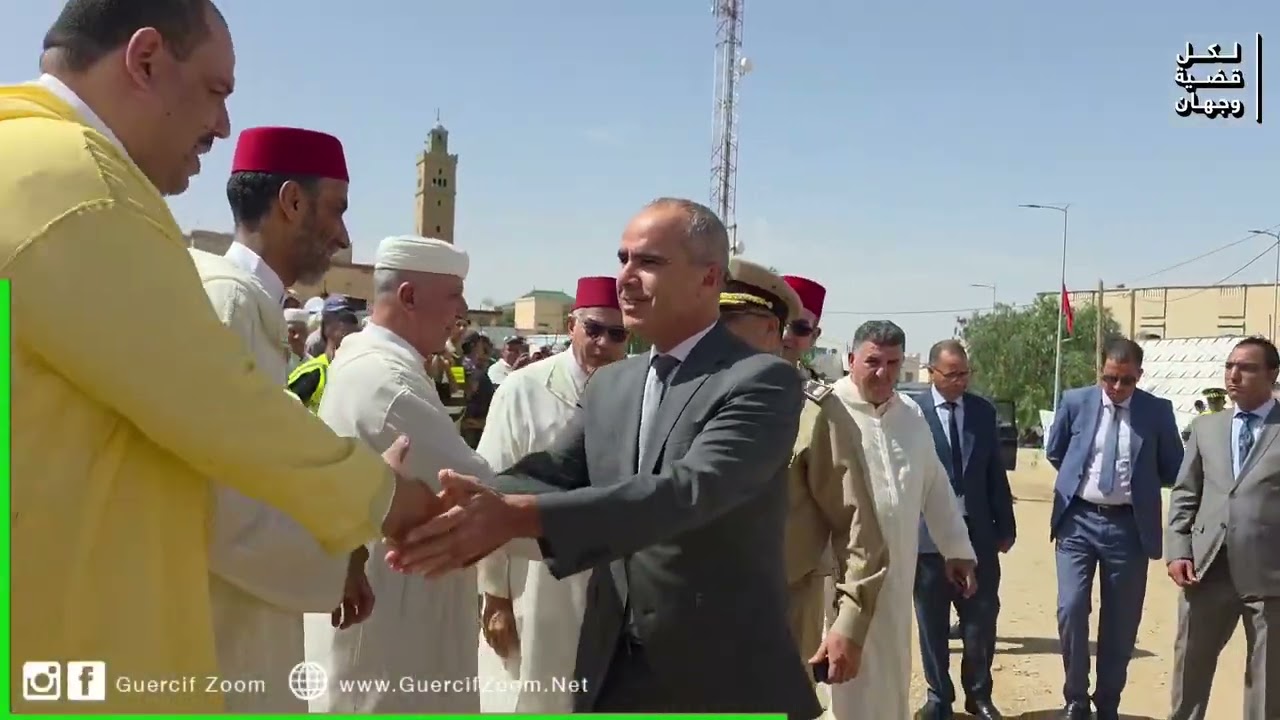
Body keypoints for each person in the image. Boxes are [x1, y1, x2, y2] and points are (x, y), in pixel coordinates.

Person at [2, 0, 445, 711]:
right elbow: (218, 414)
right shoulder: (74, 186)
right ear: (144, 60)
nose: (222, 125)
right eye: (216, 92)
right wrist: (380, 499)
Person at [392, 198, 821, 718]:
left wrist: (514, 517)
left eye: (649, 263)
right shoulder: (615, 382)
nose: (626, 279)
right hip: (613, 668)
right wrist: (452, 503)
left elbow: (688, 492)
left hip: (720, 677)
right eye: (623, 259)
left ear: (709, 279)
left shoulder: (759, 381)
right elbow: (554, 474)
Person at [190, 125, 371, 712]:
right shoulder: (231, 303)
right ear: (292, 202)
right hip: (224, 629)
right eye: (337, 210)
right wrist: (339, 553)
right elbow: (224, 501)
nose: (344, 236)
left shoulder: (243, 300)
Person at [306, 235, 484, 713]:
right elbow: (478, 489)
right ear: (408, 296)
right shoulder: (391, 383)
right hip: (397, 633)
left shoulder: (373, 359)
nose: (462, 310)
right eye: (453, 294)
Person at [720, 261, 888, 690]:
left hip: (781, 608)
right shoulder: (674, 395)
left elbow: (858, 525)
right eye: (718, 321)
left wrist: (849, 621)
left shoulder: (812, 411)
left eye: (737, 323)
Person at [475, 275, 629, 713]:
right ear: (571, 325)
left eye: (616, 334)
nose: (603, 342)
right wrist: (495, 594)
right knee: (532, 695)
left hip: (608, 585)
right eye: (593, 329)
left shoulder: (632, 392)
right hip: (535, 582)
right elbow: (488, 490)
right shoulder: (523, 390)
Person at [824, 321, 977, 720]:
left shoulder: (909, 415)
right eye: (872, 361)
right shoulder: (825, 410)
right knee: (838, 670)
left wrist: (957, 549)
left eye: (893, 363)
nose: (883, 372)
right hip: (838, 574)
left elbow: (936, 487)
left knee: (891, 666)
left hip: (897, 571)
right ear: (851, 359)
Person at [1045, 338, 1183, 720]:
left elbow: (1173, 468)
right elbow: (1056, 452)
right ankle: (1075, 698)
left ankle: (1107, 701)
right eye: (1109, 378)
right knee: (1071, 607)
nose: (1116, 388)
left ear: (1139, 375)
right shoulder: (1076, 402)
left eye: (1125, 380)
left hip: (1129, 528)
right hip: (1078, 521)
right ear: (1100, 372)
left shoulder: (1156, 412)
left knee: (1121, 621)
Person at [1168, 337, 1280, 720]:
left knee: (1267, 679)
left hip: (1269, 576)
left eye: (1246, 367)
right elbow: (1185, 494)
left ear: (1272, 374)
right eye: (1230, 366)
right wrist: (1179, 550)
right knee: (1190, 667)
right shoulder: (1206, 428)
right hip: (1206, 568)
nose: (1234, 375)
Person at [911, 340, 1016, 720]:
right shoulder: (912, 413)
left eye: (964, 373)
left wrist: (1005, 525)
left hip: (977, 536)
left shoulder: (982, 412)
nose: (960, 381)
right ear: (932, 373)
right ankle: (939, 698)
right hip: (927, 538)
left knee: (981, 618)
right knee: (932, 623)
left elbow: (994, 473)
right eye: (951, 374)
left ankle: (979, 695)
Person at [287, 294, 361, 412]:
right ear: (326, 326)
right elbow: (281, 411)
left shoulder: (357, 372)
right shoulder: (313, 372)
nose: (347, 325)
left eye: (351, 319)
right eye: (341, 318)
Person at [781, 274, 826, 382]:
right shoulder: (736, 381)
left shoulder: (823, 398)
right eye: (779, 323)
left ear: (814, 336)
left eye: (799, 328)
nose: (785, 335)